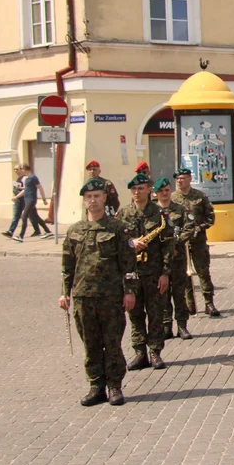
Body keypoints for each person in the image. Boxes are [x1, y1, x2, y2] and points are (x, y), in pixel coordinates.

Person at [59, 178, 138, 407]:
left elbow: (128, 264)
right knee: (91, 344)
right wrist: (65, 294)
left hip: (111, 297)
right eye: (89, 197)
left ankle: (114, 386)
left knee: (111, 343)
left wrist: (129, 292)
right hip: (84, 298)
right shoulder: (75, 230)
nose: (93, 201)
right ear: (84, 201)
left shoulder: (117, 228)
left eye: (96, 196)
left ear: (104, 198)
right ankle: (96, 386)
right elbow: (67, 266)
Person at [117, 173, 173, 371]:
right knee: (135, 314)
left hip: (153, 272)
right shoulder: (123, 214)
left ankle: (155, 352)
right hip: (132, 273)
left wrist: (165, 272)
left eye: (140, 188)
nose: (136, 192)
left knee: (156, 313)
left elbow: (168, 245)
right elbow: (117, 242)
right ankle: (140, 353)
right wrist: (131, 243)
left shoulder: (159, 214)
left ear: (149, 190)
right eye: (133, 189)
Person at [171, 167, 221, 317]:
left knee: (203, 272)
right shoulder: (173, 198)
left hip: (198, 241)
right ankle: (190, 303)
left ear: (189, 179)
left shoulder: (199, 196)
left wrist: (199, 228)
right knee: (185, 274)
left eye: (183, 178)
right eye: (178, 178)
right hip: (181, 242)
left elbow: (210, 217)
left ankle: (209, 303)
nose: (180, 181)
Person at [154, 177, 193, 340]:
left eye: (167, 190)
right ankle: (166, 326)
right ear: (156, 193)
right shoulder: (152, 212)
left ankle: (182, 326)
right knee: (162, 293)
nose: (164, 193)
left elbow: (190, 228)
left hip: (177, 257)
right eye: (161, 191)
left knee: (179, 293)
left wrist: (174, 243)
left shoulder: (180, 209)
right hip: (159, 259)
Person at [15, 164, 52, 241]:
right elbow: (26, 189)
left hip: (31, 200)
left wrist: (44, 199)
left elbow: (40, 187)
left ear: (24, 169)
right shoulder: (27, 178)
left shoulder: (33, 177)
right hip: (27, 199)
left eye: (21, 169)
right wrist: (18, 194)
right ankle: (48, 231)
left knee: (24, 216)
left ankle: (21, 236)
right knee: (36, 217)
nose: (20, 171)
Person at [3, 165, 26, 239]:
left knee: (33, 217)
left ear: (21, 169)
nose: (15, 171)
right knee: (16, 216)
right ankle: (10, 231)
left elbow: (26, 188)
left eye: (17, 169)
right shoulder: (18, 178)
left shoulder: (24, 178)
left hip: (24, 200)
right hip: (18, 200)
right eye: (14, 169)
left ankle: (43, 230)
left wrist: (17, 193)